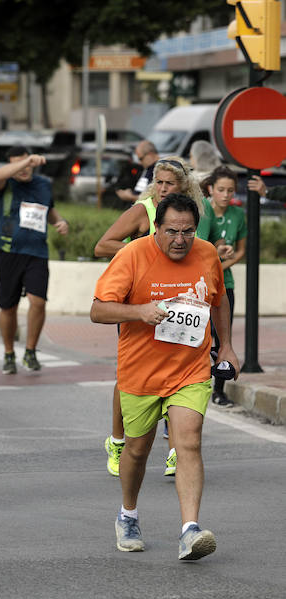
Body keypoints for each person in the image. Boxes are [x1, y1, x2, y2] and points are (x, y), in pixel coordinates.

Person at [91, 193, 238, 560]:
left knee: (188, 442)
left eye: (188, 232)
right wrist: (139, 311)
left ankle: (190, 530)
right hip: (140, 372)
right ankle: (128, 514)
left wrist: (228, 346)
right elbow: (97, 310)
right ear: (157, 229)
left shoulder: (206, 255)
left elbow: (218, 300)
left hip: (189, 369)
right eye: (172, 231)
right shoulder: (133, 255)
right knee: (138, 451)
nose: (180, 240)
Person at [95, 156, 203, 478]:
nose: (163, 188)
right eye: (159, 182)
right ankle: (117, 440)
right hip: (139, 304)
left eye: (170, 184)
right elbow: (102, 245)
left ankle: (175, 450)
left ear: (183, 187)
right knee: (131, 374)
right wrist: (144, 252)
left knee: (180, 371)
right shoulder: (143, 210)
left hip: (182, 304)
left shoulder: (192, 209)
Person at [0, 145, 68, 374]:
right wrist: (25, 162)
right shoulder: (4, 184)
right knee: (8, 307)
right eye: (17, 164)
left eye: (26, 163)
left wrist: (60, 222)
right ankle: (8, 352)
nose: (24, 169)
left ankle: (30, 351)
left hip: (36, 251)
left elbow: (48, 210)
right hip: (6, 250)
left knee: (38, 301)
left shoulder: (43, 185)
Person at [197, 166, 245, 408]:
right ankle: (196, 384)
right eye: (221, 190)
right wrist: (216, 257)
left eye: (230, 190)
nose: (226, 195)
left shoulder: (237, 215)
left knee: (223, 338)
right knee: (199, 335)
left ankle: (219, 389)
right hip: (200, 283)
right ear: (210, 189)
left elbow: (239, 249)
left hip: (224, 282)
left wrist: (223, 261)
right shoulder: (202, 211)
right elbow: (200, 250)